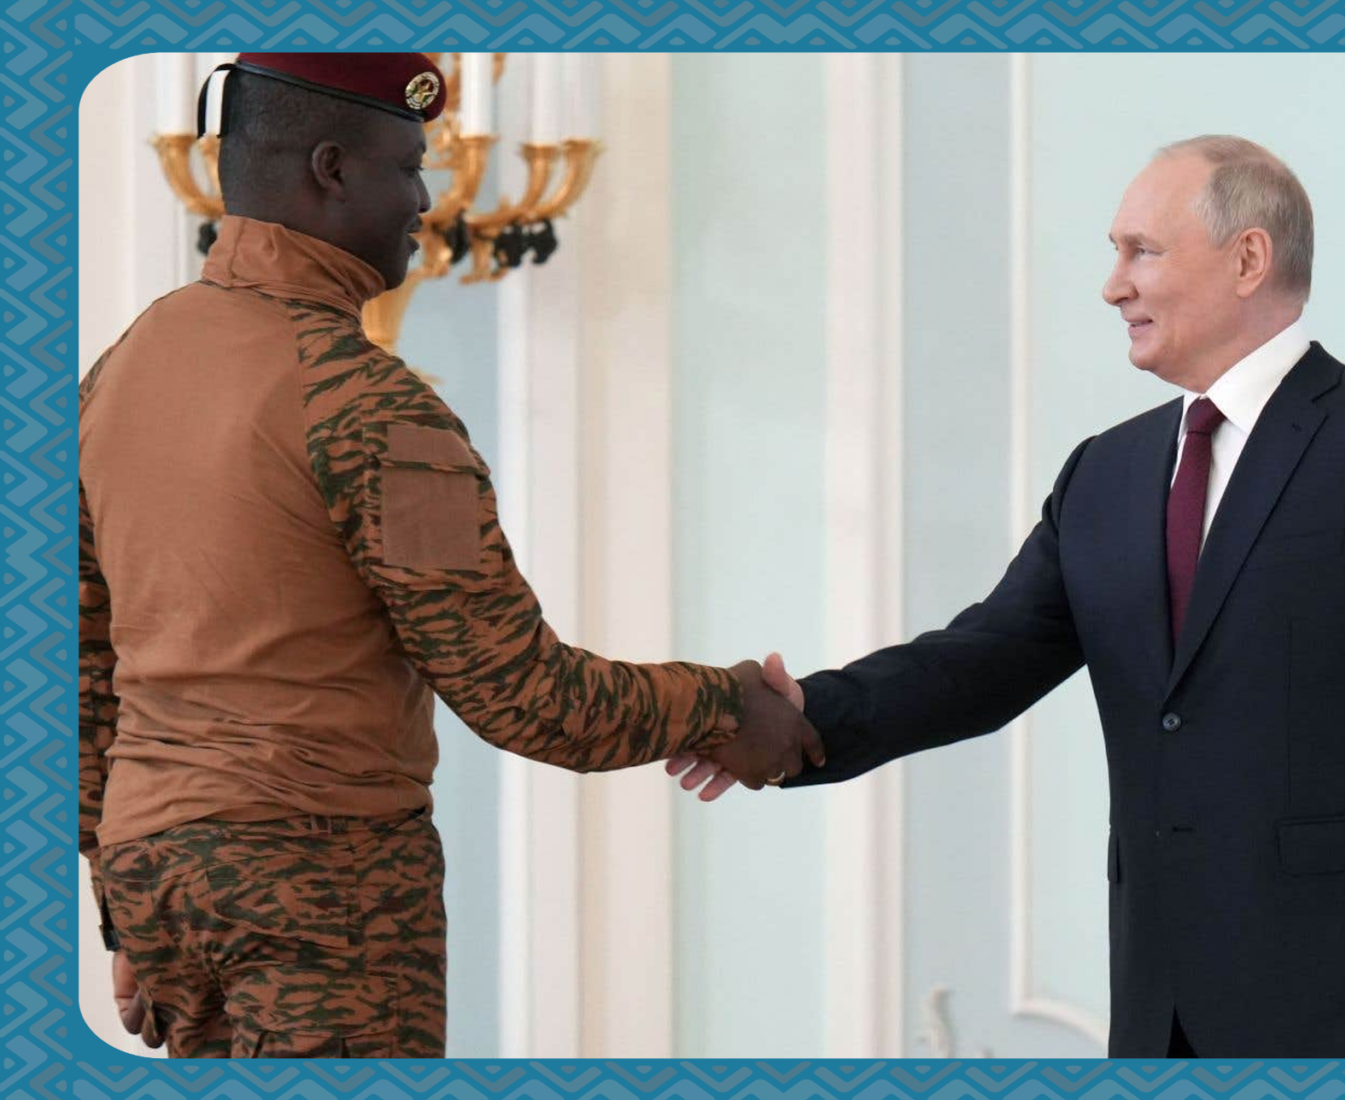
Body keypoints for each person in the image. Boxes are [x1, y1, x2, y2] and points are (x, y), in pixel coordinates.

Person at [670, 136, 1345, 1059]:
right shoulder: (1107, 470)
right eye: (1114, 252)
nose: (1112, 286)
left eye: (1142, 251)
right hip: (1159, 996)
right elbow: (985, 659)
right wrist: (793, 719)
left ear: (1249, 258)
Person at [78, 52, 822, 1059]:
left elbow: (76, 665)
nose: (424, 203)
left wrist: (126, 893)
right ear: (332, 169)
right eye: (407, 167)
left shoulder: (123, 368)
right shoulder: (370, 406)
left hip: (156, 879)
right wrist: (727, 704)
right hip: (321, 879)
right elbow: (525, 696)